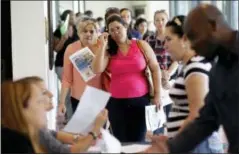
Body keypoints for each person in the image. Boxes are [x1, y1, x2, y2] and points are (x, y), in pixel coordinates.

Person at [143, 4, 239, 153]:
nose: (192, 44)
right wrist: (169, 147)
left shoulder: (203, 67)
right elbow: (205, 121)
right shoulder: (216, 71)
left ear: (213, 26)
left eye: (193, 37)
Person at [91, 15, 162, 143]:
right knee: (120, 142)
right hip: (117, 103)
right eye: (111, 30)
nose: (115, 32)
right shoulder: (109, 51)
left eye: (118, 28)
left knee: (138, 141)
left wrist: (157, 94)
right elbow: (96, 69)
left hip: (141, 101)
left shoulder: (141, 45)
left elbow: (155, 68)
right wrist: (102, 46)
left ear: (125, 26)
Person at [164, 15, 223, 153]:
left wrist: (172, 144)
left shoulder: (195, 67)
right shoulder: (189, 66)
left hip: (198, 145)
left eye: (169, 39)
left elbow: (196, 115)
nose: (165, 45)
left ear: (184, 39)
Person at [19, 76, 108, 153]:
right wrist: (95, 130)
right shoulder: (35, 130)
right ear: (28, 102)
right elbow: (66, 152)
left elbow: (54, 135)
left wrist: (87, 138)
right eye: (43, 92)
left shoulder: (35, 128)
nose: (51, 94)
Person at [58, 19, 103, 115]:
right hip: (79, 98)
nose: (88, 34)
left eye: (91, 31)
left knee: (100, 129)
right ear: (79, 33)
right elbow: (66, 78)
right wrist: (61, 102)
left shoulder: (102, 47)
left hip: (100, 97)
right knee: (81, 130)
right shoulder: (71, 48)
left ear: (98, 33)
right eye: (84, 31)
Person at [146, 10, 178, 135]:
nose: (160, 22)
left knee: (172, 114)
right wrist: (160, 73)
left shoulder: (173, 38)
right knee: (157, 115)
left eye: (163, 19)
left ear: (167, 21)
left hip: (170, 79)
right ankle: (158, 141)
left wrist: (168, 74)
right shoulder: (149, 39)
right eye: (157, 20)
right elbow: (148, 60)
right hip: (155, 80)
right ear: (154, 22)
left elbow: (177, 59)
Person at [1, 80, 48, 153]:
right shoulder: (15, 145)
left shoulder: (27, 140)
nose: (45, 106)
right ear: (20, 108)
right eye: (39, 101)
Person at [53, 9, 79, 121]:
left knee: (74, 92)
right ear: (66, 18)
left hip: (76, 66)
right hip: (62, 66)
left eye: (74, 16)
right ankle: (71, 119)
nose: (73, 18)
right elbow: (56, 48)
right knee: (68, 93)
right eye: (71, 16)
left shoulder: (78, 30)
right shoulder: (59, 31)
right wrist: (63, 39)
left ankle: (72, 117)